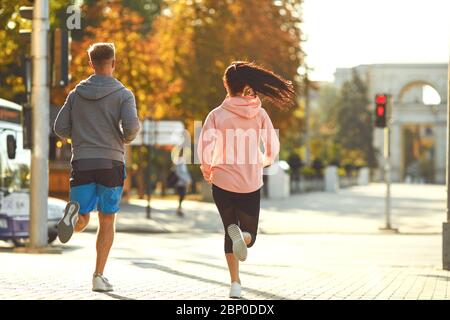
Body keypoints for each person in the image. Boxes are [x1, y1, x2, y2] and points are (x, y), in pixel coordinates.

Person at [197, 61, 294, 298]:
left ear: (226, 86)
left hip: (222, 181)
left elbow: (205, 146)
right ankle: (245, 237)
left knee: (230, 230)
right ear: (247, 85)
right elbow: (273, 147)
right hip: (249, 183)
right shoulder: (259, 113)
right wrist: (262, 162)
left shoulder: (216, 115)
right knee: (248, 236)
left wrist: (207, 168)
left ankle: (235, 284)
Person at [53, 42, 140, 292]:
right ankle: (98, 276)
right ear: (113, 62)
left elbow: (59, 128)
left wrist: (79, 137)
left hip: (82, 160)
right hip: (111, 161)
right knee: (107, 218)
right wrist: (122, 139)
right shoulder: (124, 94)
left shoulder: (76, 94)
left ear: (90, 64)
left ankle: (74, 217)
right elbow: (132, 128)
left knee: (83, 216)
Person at [174, 153, 192, 217]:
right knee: (181, 196)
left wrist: (189, 180)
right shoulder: (179, 164)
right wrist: (186, 180)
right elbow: (178, 173)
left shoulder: (183, 165)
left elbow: (186, 173)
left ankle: (179, 209)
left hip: (184, 183)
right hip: (180, 183)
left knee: (182, 196)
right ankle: (179, 209)